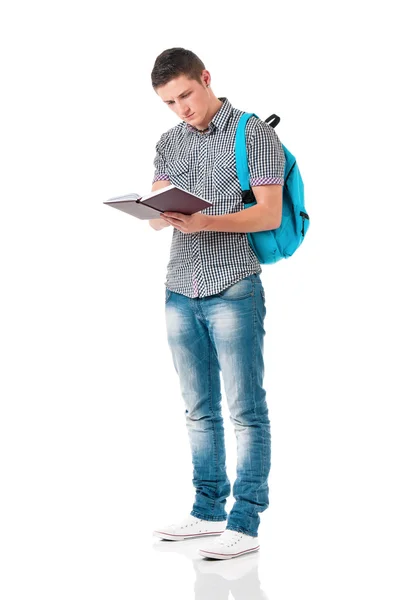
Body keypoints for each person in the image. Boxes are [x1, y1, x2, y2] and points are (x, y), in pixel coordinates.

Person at [149, 48, 285, 560]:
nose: (181, 108)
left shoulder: (253, 134)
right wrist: (156, 212)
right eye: (169, 102)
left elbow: (269, 214)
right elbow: (161, 209)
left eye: (185, 94)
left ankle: (245, 521)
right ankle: (207, 511)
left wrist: (208, 221)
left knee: (245, 410)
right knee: (197, 410)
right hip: (180, 286)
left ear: (206, 78)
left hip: (233, 285)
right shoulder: (168, 142)